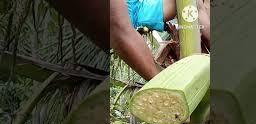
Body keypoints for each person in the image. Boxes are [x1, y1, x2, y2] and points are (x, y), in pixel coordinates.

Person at [47, 0, 210, 80]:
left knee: (194, 3)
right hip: (124, 17)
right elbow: (119, 30)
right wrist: (168, 84)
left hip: (138, 6)